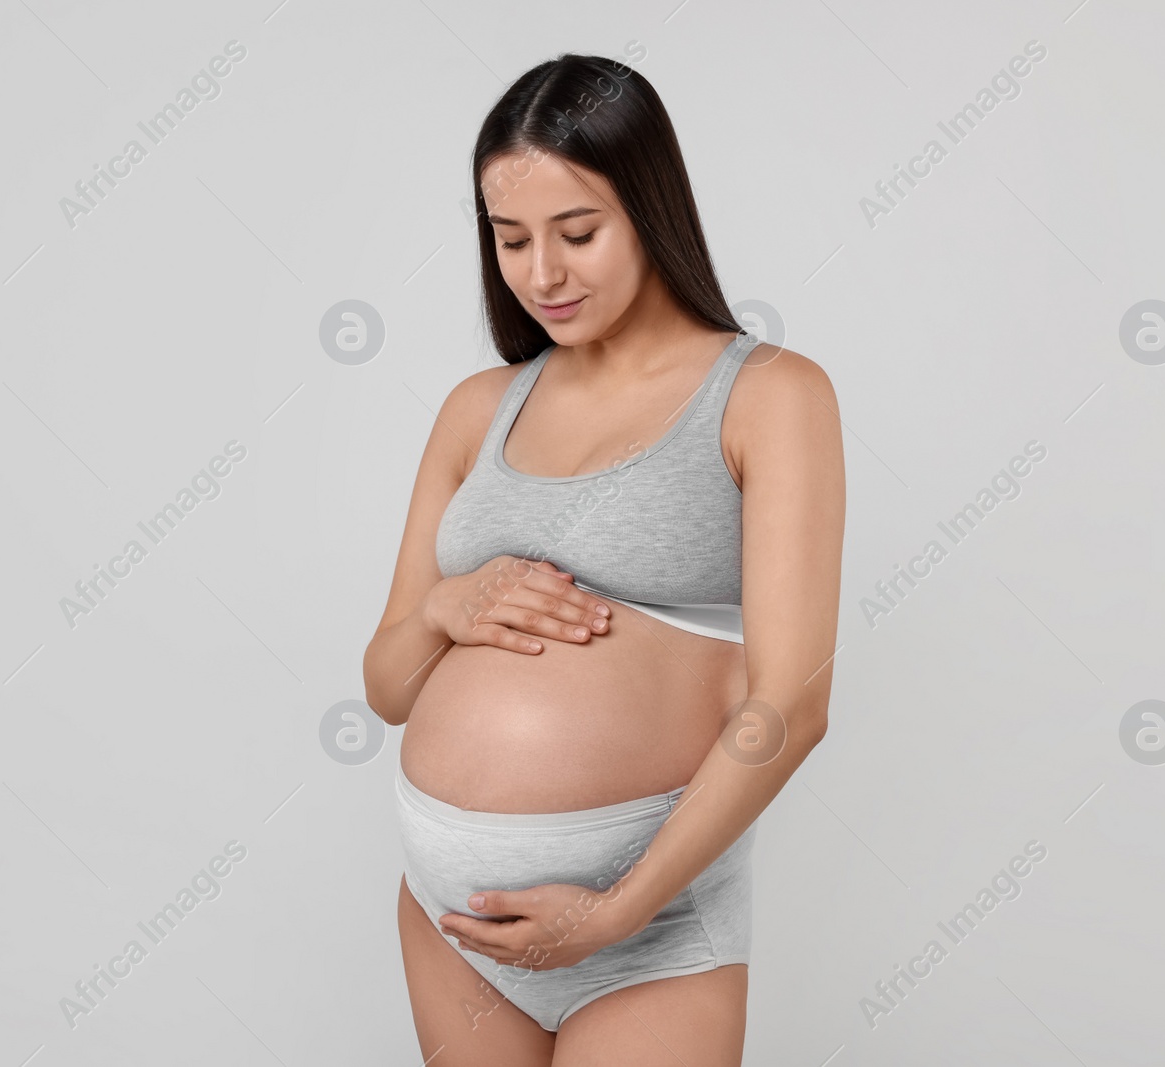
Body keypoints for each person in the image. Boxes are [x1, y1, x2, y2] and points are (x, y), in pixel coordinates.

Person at [362, 52, 844, 1066]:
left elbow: (790, 705)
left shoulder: (768, 395)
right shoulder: (475, 409)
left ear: (649, 208)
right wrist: (446, 609)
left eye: (578, 232)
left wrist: (615, 911)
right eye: (511, 239)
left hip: (651, 931)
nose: (543, 273)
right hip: (456, 932)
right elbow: (388, 684)